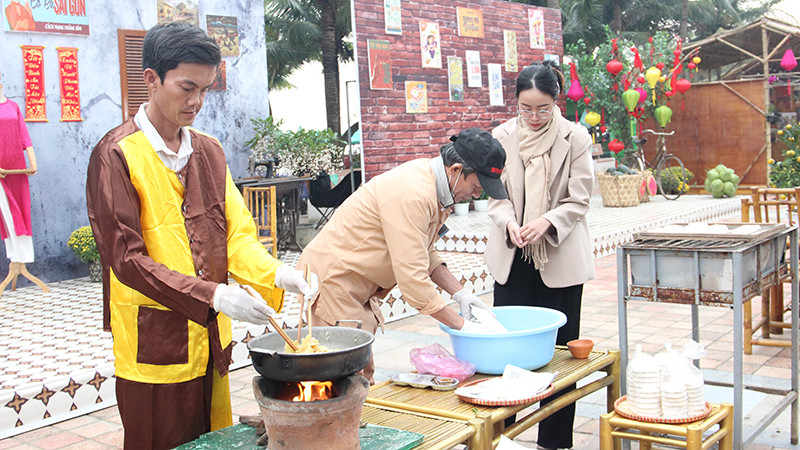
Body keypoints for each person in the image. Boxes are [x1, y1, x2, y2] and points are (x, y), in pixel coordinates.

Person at [86, 23, 318, 449]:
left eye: (206, 90)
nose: (196, 102)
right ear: (152, 79)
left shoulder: (209, 151)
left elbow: (237, 236)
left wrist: (277, 273)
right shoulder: (117, 155)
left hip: (210, 340)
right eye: (187, 87)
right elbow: (127, 260)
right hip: (154, 345)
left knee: (212, 441)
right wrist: (213, 295)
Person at [297, 127, 508, 382]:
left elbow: (423, 250)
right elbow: (413, 280)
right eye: (476, 186)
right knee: (342, 381)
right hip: (332, 282)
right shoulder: (414, 193)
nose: (477, 195)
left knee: (359, 377)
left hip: (354, 285)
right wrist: (464, 327)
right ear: (455, 171)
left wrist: (461, 294)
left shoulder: (436, 188)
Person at [484, 60, 594, 450]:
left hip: (558, 260)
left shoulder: (575, 138)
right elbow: (494, 194)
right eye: (525, 108)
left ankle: (555, 442)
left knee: (561, 358)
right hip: (513, 259)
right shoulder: (502, 135)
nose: (533, 117)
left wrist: (546, 222)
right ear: (515, 102)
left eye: (542, 108)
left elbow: (579, 199)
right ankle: (501, 438)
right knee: (507, 354)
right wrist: (509, 223)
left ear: (555, 102)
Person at [0, 70, 38, 265]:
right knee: (6, 212)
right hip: (0, 171)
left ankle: (23, 257)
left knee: (21, 207)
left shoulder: (13, 107)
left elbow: (24, 137)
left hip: (16, 167)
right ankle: (15, 254)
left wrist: (32, 162)